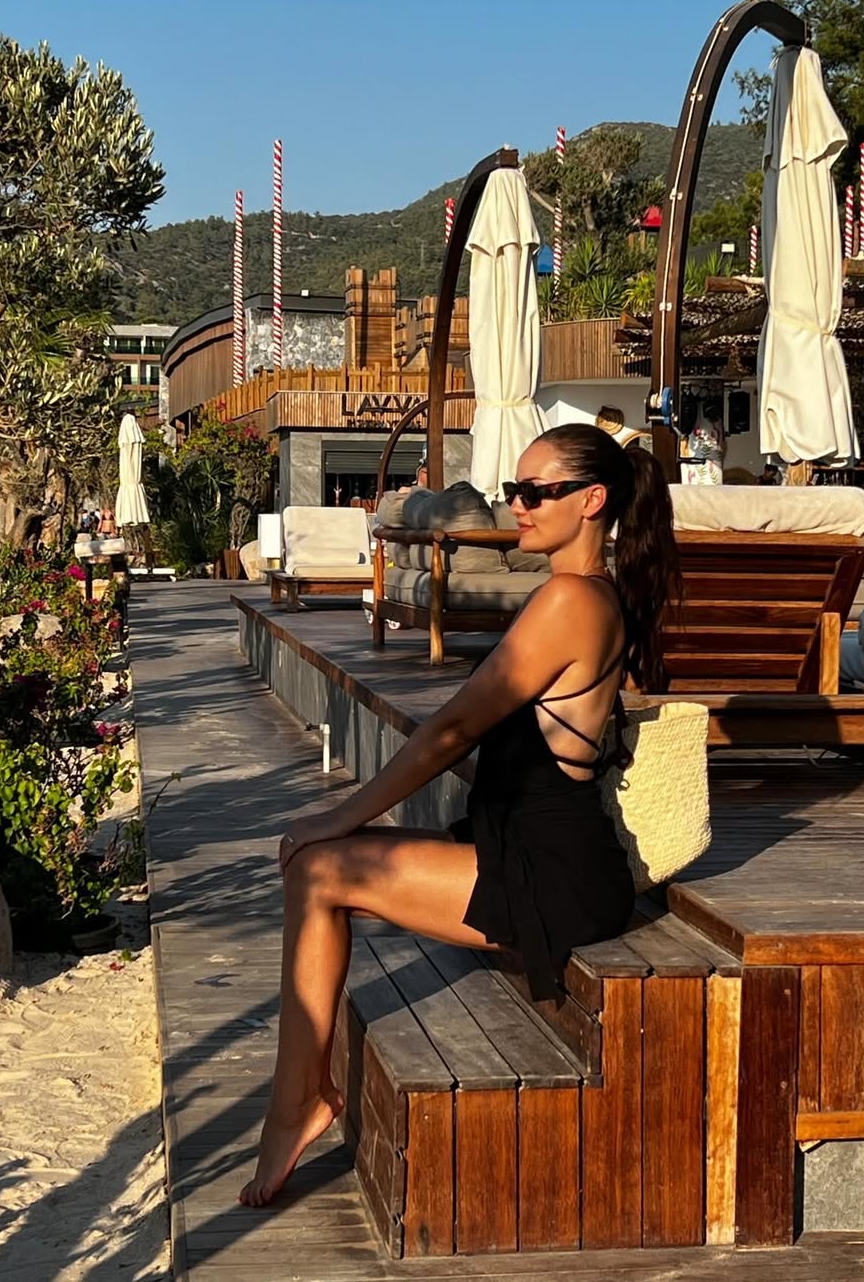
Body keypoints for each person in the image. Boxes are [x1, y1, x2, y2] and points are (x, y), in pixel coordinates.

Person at [239, 422, 679, 1207]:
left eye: (536, 492)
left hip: (550, 878)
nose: (518, 505)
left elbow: (452, 730)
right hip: (534, 852)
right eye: (515, 490)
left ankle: (296, 1104)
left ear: (592, 500)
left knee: (318, 868)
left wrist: (340, 816)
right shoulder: (586, 595)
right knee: (317, 872)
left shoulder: (571, 600)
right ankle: (300, 1098)